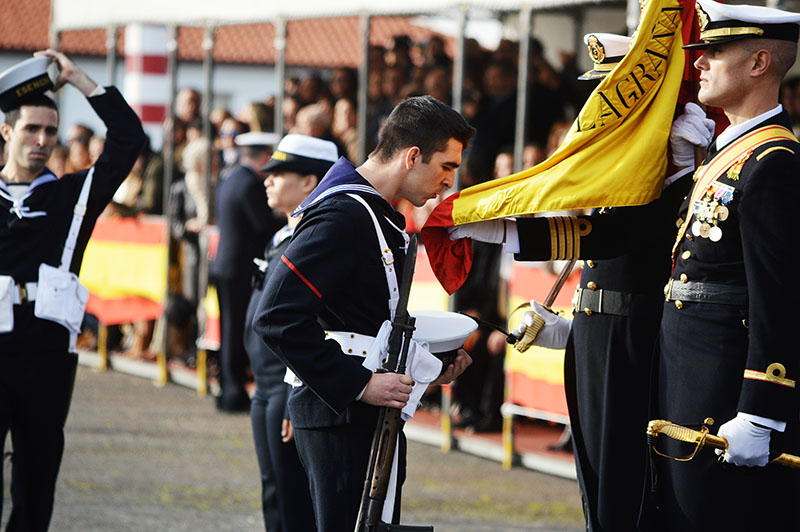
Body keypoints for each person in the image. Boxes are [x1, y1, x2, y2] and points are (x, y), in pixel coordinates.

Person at [448, 32, 715, 532]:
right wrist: (574, 329)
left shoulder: (674, 171)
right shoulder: (629, 169)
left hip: (637, 350)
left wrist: (500, 225)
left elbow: (615, 236)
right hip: (603, 343)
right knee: (599, 489)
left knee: (628, 492)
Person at [253, 96, 474, 531]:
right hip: (342, 414)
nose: (449, 181)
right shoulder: (344, 216)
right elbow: (276, 316)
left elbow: (361, 319)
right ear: (412, 157)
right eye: (446, 167)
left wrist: (432, 363)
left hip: (357, 411)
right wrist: (358, 383)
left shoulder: (369, 213)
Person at [651, 2, 800, 529]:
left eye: (714, 52)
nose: (700, 64)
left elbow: (779, 298)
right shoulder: (722, 154)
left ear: (759, 62)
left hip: (724, 395)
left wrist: (761, 410)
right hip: (685, 378)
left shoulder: (773, 163)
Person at [0, 50, 145, 531]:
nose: (41, 141)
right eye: (30, 129)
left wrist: (81, 80)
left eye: (49, 131)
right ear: (6, 132)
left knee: (36, 481)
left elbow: (128, 141)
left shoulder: (71, 196)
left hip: (45, 357)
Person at [244, 134, 338, 531]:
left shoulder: (313, 237)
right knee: (273, 491)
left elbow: (311, 322)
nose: (267, 179)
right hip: (265, 385)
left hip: (286, 385)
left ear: (310, 182)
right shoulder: (283, 235)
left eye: (279, 173)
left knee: (293, 499)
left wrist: (289, 395)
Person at [210, 131, 283, 412]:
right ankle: (232, 390)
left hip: (225, 265)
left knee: (229, 329)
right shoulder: (249, 183)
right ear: (264, 156)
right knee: (235, 330)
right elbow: (262, 225)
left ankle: (229, 387)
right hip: (238, 268)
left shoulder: (231, 178)